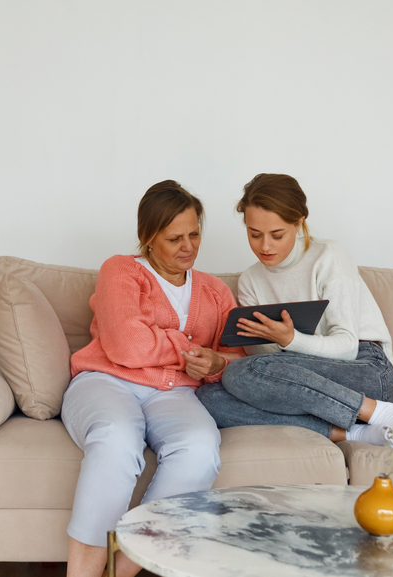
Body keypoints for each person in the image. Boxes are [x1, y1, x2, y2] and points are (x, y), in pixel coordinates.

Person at [62, 180, 244, 577]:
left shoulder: (214, 291)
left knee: (199, 448)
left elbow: (236, 360)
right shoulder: (121, 270)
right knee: (115, 438)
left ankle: (118, 573)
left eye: (195, 234)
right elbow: (127, 347)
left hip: (175, 394)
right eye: (174, 237)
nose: (188, 246)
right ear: (148, 237)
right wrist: (189, 348)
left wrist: (214, 363)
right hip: (106, 381)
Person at [194, 173, 393, 449]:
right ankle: (353, 433)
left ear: (299, 223)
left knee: (238, 373)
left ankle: (381, 412)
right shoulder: (250, 282)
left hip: (365, 370)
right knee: (208, 398)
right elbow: (271, 368)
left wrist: (290, 339)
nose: (265, 246)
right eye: (255, 234)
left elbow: (347, 347)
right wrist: (272, 343)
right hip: (303, 384)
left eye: (277, 235)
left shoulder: (328, 256)